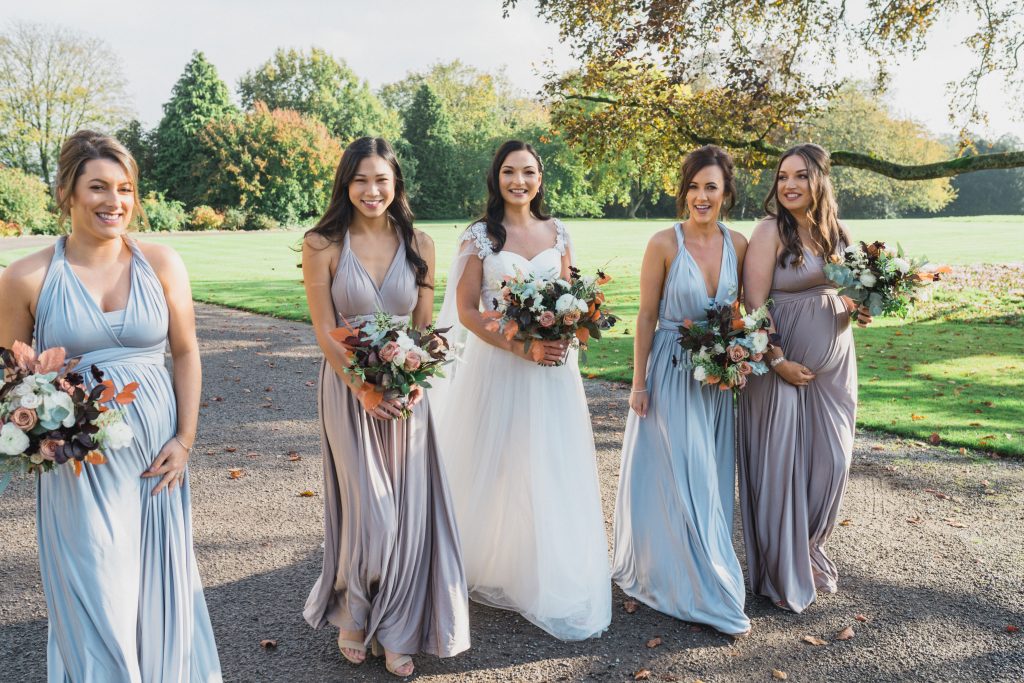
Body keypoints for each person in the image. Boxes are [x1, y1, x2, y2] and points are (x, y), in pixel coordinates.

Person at [0, 130, 222, 681]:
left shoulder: (163, 263)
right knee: (98, 596)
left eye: (125, 189)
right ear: (68, 192)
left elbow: (187, 351)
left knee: (155, 591)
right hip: (78, 466)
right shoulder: (27, 277)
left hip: (157, 462)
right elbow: (8, 379)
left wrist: (185, 439)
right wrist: (39, 429)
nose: (114, 202)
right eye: (98, 186)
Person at [301, 137, 470, 677]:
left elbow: (421, 329)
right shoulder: (323, 244)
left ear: (396, 184)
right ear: (345, 184)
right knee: (369, 510)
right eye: (360, 180)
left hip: (406, 395)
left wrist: (415, 380)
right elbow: (327, 331)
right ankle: (354, 607)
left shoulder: (419, 242)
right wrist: (364, 389)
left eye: (381, 180)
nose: (371, 191)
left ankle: (396, 628)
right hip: (349, 392)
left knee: (406, 512)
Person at [431, 140, 611, 641]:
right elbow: (467, 309)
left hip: (554, 372)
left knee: (550, 460)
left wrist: (575, 326)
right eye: (509, 172)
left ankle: (542, 566)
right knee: (495, 458)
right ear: (497, 177)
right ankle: (479, 558)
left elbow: (575, 294)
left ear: (540, 177)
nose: (519, 181)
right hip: (500, 365)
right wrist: (519, 348)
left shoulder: (559, 232)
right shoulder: (480, 236)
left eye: (528, 172)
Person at [611, 145, 751, 636]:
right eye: (692, 186)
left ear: (726, 191)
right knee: (682, 475)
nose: (700, 196)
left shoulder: (740, 244)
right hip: (671, 371)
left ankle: (701, 563)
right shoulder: (663, 243)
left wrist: (743, 354)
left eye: (710, 186)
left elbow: (748, 315)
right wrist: (638, 383)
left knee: (708, 477)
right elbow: (646, 316)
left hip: (716, 381)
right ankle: (698, 581)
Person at [738, 143, 872, 613]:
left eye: (800, 176)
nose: (789, 185)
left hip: (835, 368)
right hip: (780, 367)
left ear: (820, 181)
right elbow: (753, 307)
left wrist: (865, 305)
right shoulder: (769, 231)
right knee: (783, 464)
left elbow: (860, 293)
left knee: (831, 461)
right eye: (782, 177)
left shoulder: (840, 232)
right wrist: (776, 360)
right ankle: (784, 567)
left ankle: (810, 545)